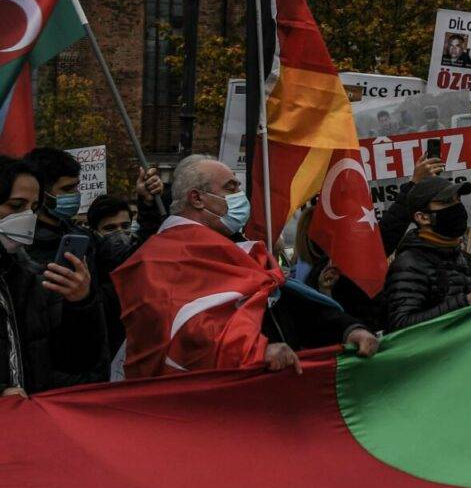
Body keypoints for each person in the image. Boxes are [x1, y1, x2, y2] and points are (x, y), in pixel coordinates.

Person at [113, 155, 375, 378]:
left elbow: (284, 301)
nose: (241, 195)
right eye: (231, 187)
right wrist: (256, 352)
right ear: (197, 198)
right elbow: (179, 331)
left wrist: (348, 329)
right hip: (206, 412)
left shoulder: (240, 250)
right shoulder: (159, 259)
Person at [0, 155, 97, 394]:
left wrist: (80, 303)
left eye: (33, 208)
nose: (28, 217)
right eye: (15, 206)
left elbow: (73, 362)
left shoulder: (31, 279)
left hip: (26, 421)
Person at [382, 178, 471, 330]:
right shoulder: (410, 264)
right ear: (423, 217)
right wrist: (465, 302)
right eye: (447, 202)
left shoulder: (466, 259)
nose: (457, 206)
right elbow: (401, 324)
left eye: (457, 199)